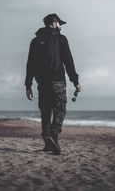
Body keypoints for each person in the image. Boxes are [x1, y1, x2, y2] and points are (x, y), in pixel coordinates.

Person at [25, 13, 81, 155]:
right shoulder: (61, 39)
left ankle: (48, 145)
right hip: (57, 80)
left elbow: (30, 64)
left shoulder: (35, 41)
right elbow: (68, 61)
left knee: (45, 111)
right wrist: (75, 81)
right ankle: (53, 134)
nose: (61, 26)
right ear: (54, 23)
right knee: (60, 109)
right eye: (59, 23)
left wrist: (28, 85)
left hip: (42, 82)